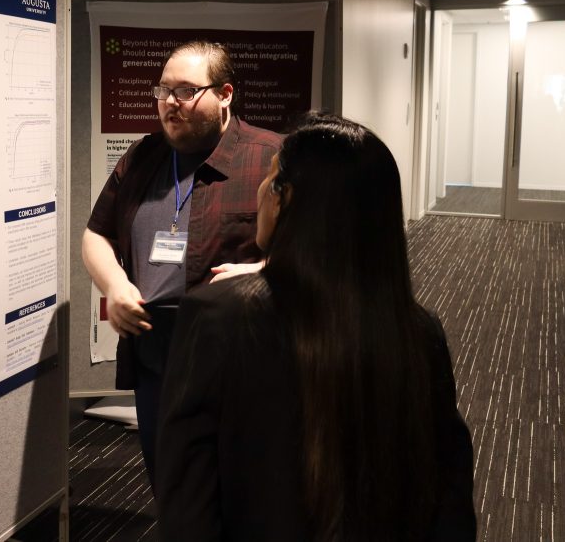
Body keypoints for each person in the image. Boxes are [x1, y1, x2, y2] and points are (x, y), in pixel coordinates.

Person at [156, 112, 476, 540]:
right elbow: (449, 490)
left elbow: (187, 500)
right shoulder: (418, 331)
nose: (261, 191)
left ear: (285, 200)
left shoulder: (217, 319)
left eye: (270, 180)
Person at [82, 40, 281, 485]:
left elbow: (322, 246)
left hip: (240, 355)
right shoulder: (142, 158)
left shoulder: (271, 157)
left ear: (225, 94)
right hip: (156, 349)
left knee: (240, 486)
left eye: (187, 90)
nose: (171, 102)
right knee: (168, 477)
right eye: (164, 91)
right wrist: (114, 285)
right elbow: (96, 234)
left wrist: (264, 272)